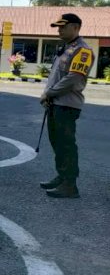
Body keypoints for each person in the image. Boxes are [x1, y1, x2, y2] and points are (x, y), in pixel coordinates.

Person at [39, 13, 94, 199]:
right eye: (58, 26)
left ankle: (70, 185)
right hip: (55, 103)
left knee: (66, 144)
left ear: (76, 27)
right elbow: (56, 76)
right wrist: (49, 96)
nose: (59, 29)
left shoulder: (82, 51)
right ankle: (62, 176)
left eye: (63, 26)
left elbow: (73, 79)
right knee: (57, 143)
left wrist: (49, 93)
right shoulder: (66, 49)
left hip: (67, 105)